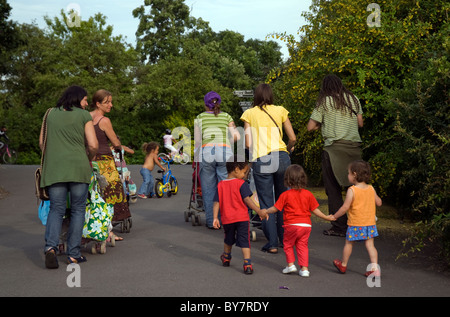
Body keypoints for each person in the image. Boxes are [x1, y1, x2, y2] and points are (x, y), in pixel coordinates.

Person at [41, 85, 98, 268]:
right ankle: (73, 254)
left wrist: (56, 155)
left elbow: (42, 142)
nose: (87, 103)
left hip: (55, 168)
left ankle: (50, 247)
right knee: (78, 209)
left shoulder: (50, 113)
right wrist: (89, 157)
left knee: (56, 209)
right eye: (85, 99)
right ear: (77, 99)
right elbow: (93, 144)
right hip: (78, 167)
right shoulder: (84, 115)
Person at [241, 83, 296, 254]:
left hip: (262, 158)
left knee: (266, 202)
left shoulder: (249, 113)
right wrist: (286, 149)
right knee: (283, 201)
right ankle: (284, 240)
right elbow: (293, 138)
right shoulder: (280, 110)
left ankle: (271, 243)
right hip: (282, 157)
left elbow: (248, 143)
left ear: (256, 96)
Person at [307, 74, 364, 237]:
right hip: (354, 149)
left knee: (333, 189)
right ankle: (359, 225)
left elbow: (310, 127)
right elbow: (360, 123)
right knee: (355, 187)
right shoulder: (353, 99)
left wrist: (322, 124)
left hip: (333, 149)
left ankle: (339, 226)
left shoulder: (325, 101)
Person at [266, 164, 334, 277]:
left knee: (287, 244)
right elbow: (315, 210)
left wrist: (266, 211)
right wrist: (326, 217)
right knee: (302, 246)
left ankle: (291, 265)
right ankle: (304, 269)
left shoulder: (285, 195)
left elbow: (275, 208)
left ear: (287, 179)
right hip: (306, 225)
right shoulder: (308, 194)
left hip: (291, 225)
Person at [212, 156, 268, 274]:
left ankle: (226, 257)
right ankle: (247, 264)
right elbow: (247, 200)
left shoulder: (221, 185)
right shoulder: (241, 184)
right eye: (244, 172)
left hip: (227, 219)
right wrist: (258, 211)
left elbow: (217, 202)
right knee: (244, 240)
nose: (244, 175)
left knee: (228, 238)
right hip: (242, 218)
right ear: (237, 169)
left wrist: (215, 217)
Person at [194, 91, 240, 229]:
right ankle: (228, 220)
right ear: (218, 103)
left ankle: (211, 221)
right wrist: (227, 141)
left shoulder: (199, 117)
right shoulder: (226, 116)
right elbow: (237, 136)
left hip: (207, 151)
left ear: (205, 104)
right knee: (226, 188)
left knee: (208, 189)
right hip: (225, 152)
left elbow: (197, 141)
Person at [90, 89, 130, 240]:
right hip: (105, 162)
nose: (111, 105)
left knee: (94, 195)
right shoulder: (104, 121)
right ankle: (108, 232)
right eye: (107, 102)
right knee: (110, 196)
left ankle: (94, 229)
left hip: (89, 160)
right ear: (98, 103)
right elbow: (115, 142)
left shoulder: (86, 118)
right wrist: (120, 146)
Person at [331, 160, 382, 276]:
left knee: (349, 244)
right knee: (370, 246)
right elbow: (379, 203)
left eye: (348, 173)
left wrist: (334, 216)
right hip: (370, 223)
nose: (348, 175)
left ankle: (343, 265)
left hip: (355, 223)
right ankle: (375, 269)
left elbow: (345, 208)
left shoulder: (352, 190)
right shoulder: (371, 188)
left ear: (354, 174)